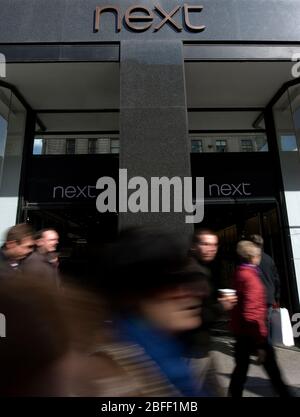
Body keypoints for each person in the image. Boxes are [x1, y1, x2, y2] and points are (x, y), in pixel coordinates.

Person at [93, 227, 211, 397]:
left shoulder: (166, 351)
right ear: (133, 292)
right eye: (174, 281)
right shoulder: (114, 375)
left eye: (191, 279)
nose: (200, 291)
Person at [228, 240, 291, 397]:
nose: (259, 258)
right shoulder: (251, 279)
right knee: (273, 371)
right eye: (257, 255)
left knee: (240, 369)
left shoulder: (239, 273)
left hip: (241, 330)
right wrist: (261, 342)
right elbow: (252, 313)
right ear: (252, 257)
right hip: (253, 332)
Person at [178, 228, 237, 396]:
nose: (211, 248)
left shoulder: (203, 270)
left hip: (202, 347)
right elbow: (194, 315)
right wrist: (222, 306)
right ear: (194, 246)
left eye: (214, 244)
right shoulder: (193, 273)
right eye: (205, 244)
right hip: (193, 348)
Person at [249, 234, 281, 335]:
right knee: (266, 325)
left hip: (256, 298)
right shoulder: (269, 259)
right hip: (269, 298)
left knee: (257, 325)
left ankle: (263, 346)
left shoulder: (250, 260)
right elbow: (276, 279)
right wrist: (276, 296)